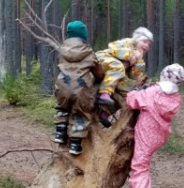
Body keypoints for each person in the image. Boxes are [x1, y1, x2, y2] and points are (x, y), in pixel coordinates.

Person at [126, 64, 184, 188]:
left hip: (146, 136)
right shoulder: (176, 98)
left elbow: (131, 101)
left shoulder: (150, 93)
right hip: (160, 136)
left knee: (140, 167)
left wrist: (135, 91)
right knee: (143, 160)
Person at [53, 20, 104, 155]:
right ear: (84, 36)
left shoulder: (61, 51)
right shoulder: (89, 52)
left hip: (62, 85)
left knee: (62, 107)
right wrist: (100, 76)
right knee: (80, 113)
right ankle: (75, 144)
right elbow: (98, 72)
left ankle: (60, 131)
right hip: (81, 88)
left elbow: (58, 65)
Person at [95, 27, 153, 127]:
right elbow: (113, 48)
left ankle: (105, 112)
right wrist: (131, 55)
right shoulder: (127, 42)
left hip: (115, 74)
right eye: (144, 41)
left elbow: (133, 75)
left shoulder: (139, 56)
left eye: (149, 44)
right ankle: (104, 93)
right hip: (103, 60)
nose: (146, 45)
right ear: (137, 39)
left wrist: (138, 61)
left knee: (126, 94)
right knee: (118, 67)